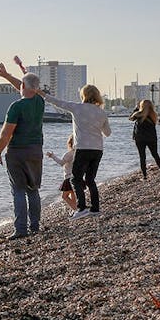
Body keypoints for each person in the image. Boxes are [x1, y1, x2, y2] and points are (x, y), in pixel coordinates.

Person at [36, 83, 111, 219]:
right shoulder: (101, 112)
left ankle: (81, 208)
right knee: (90, 179)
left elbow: (58, 103)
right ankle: (95, 209)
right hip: (98, 149)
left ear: (83, 95)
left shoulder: (77, 108)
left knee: (75, 179)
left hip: (82, 148)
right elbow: (107, 133)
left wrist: (43, 94)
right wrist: (95, 126)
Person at [0, 63, 45, 240]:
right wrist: (8, 76)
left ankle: (21, 229)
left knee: (19, 190)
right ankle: (35, 226)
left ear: (23, 87)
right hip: (36, 151)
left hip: (17, 152)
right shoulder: (40, 101)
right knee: (33, 189)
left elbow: (6, 133)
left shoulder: (16, 107)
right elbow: (26, 87)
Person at [129, 99, 160, 180]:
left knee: (142, 157)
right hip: (151, 137)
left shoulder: (138, 114)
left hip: (140, 138)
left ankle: (145, 176)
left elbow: (130, 118)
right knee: (155, 154)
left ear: (141, 106)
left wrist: (136, 108)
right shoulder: (154, 114)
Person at [46, 135, 76, 211]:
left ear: (70, 143)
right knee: (73, 194)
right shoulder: (79, 153)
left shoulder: (69, 154)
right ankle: (76, 209)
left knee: (64, 196)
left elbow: (61, 163)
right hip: (77, 177)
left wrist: (52, 156)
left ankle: (76, 209)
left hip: (69, 177)